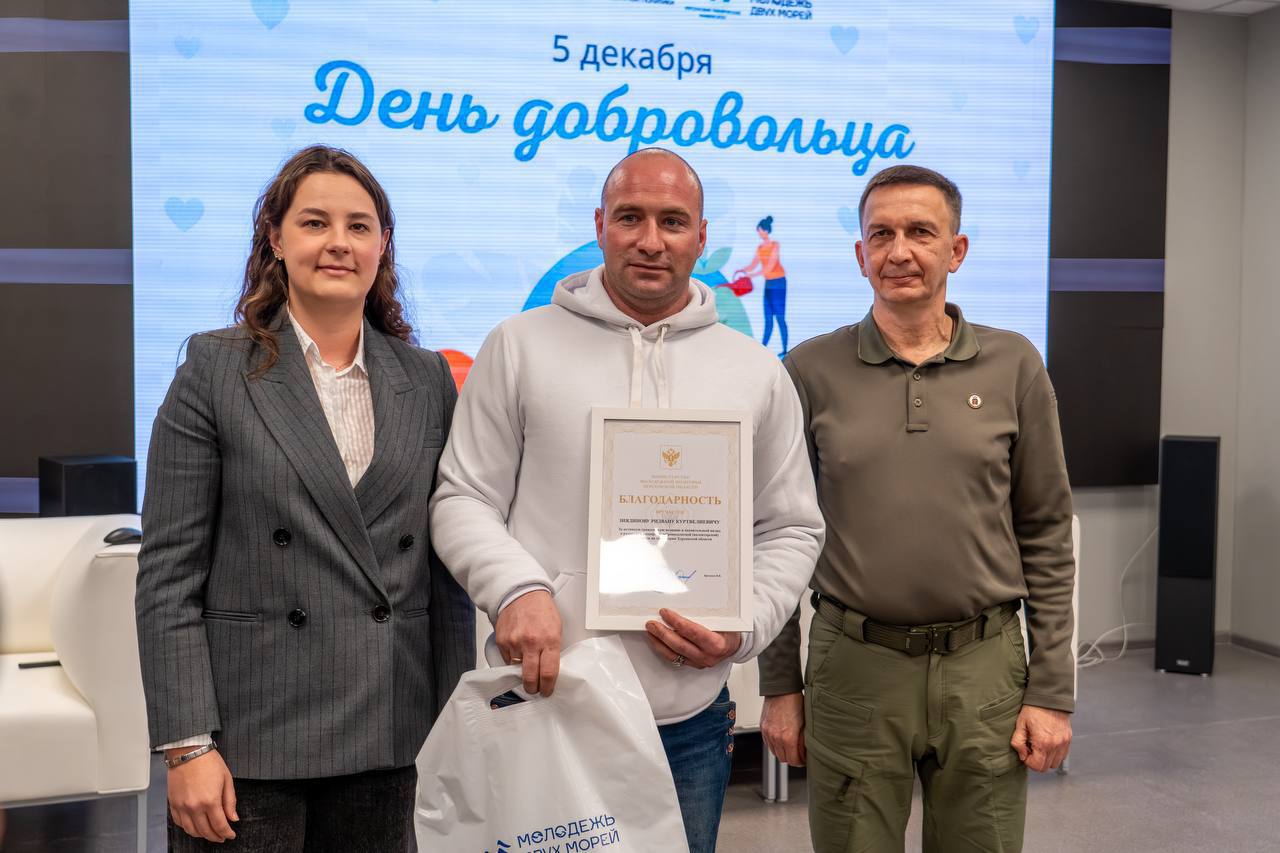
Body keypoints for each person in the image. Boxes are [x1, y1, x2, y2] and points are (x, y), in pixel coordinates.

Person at [429, 148, 824, 853]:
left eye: (672, 221)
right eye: (629, 218)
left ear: (701, 236)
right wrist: (517, 589)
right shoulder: (519, 346)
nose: (650, 240)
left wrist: (742, 629)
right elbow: (463, 496)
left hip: (689, 723)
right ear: (599, 225)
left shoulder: (756, 371)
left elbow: (790, 527)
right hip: (548, 705)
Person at [135, 145, 474, 850]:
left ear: (383, 244)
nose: (338, 243)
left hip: (393, 733)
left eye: (359, 226)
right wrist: (187, 746)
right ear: (276, 239)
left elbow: (443, 584)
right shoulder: (214, 370)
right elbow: (168, 576)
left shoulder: (426, 379)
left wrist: (457, 728)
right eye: (315, 223)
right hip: (249, 743)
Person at [757, 165, 1075, 853]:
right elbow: (777, 536)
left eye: (921, 232)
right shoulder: (807, 371)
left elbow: (1046, 531)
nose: (899, 251)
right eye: (881, 234)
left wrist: (1051, 688)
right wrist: (779, 686)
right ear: (860, 254)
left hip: (985, 668)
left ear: (956, 251)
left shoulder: (1015, 365)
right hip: (854, 667)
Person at [733, 215, 790, 356]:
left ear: (765, 231)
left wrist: (750, 276)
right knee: (768, 318)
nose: (759, 234)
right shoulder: (760, 248)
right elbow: (753, 264)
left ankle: (785, 350)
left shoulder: (775, 245)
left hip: (778, 283)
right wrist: (743, 270)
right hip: (769, 283)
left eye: (760, 231)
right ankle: (763, 349)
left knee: (780, 318)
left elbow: (769, 267)